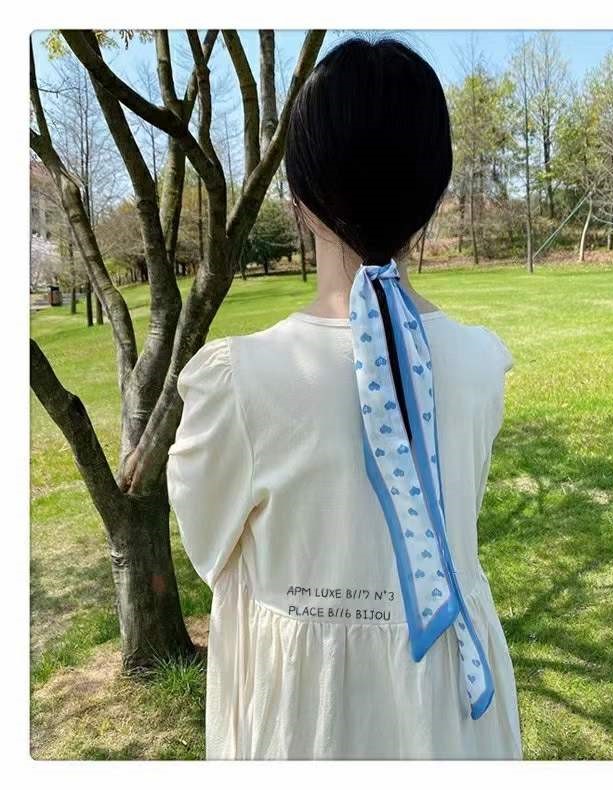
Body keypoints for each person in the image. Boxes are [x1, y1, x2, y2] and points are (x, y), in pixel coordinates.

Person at [166, 35, 521, 760]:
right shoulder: (480, 364)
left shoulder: (240, 381)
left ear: (298, 200)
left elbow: (209, 542)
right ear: (435, 196)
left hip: (308, 717)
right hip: (453, 706)